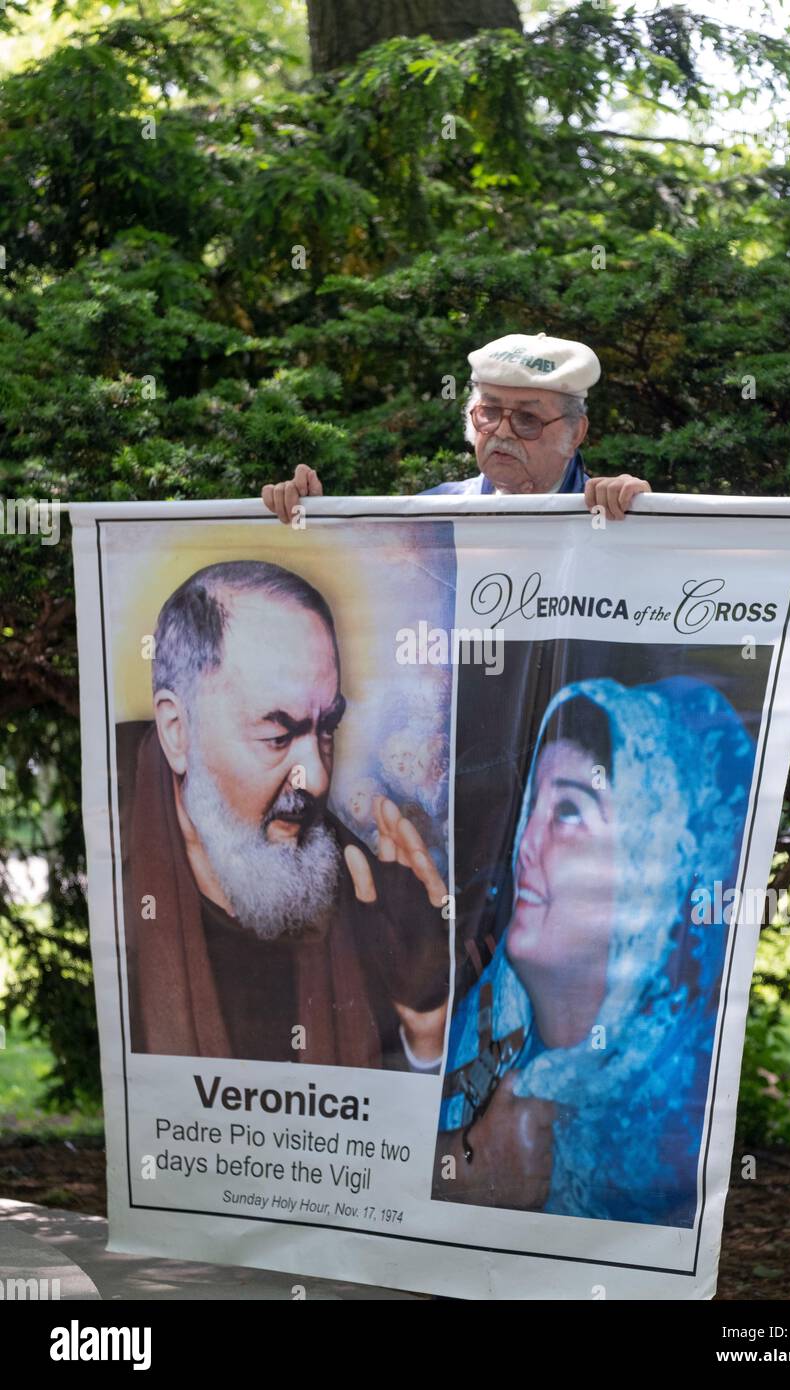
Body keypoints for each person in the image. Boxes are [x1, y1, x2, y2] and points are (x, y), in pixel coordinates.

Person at [432, 675, 756, 1225]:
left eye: (569, 812)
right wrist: (471, 1161)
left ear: (655, 875)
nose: (526, 845)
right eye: (533, 806)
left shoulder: (668, 1135)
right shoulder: (483, 1018)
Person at [117, 559, 449, 1071]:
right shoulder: (108, 832)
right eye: (277, 737)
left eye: (325, 730)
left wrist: (426, 1018)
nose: (315, 778)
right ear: (177, 732)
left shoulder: (363, 886)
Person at [261, 332, 651, 515]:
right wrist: (312, 518)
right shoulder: (434, 511)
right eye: (489, 412)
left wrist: (646, 513)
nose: (501, 432)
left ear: (575, 433)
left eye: (528, 419)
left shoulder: (610, 513)